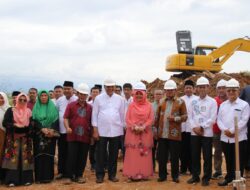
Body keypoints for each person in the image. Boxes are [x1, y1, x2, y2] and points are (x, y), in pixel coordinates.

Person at [92, 78, 125, 183]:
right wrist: (95, 130)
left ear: (115, 87)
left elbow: (122, 114)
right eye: (108, 87)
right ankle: (100, 175)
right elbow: (94, 115)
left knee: (114, 154)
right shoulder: (98, 98)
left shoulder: (120, 99)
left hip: (116, 130)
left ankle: (112, 175)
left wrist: (123, 128)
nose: (110, 88)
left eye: (112, 87)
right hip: (102, 131)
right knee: (101, 154)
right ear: (105, 87)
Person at [217, 79, 250, 186]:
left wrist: (232, 131)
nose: (231, 92)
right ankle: (229, 178)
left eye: (233, 90)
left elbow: (244, 121)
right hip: (225, 137)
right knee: (228, 159)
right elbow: (219, 120)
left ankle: (238, 180)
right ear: (226, 91)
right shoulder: (223, 105)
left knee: (239, 160)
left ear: (238, 91)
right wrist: (225, 130)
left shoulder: (244, 105)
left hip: (239, 138)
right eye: (229, 90)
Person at [187, 77, 217, 186]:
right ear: (197, 89)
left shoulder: (212, 102)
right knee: (194, 155)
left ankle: (206, 178)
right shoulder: (193, 101)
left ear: (208, 87)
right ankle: (195, 176)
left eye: (204, 87)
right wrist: (195, 128)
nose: (202, 89)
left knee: (207, 156)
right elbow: (189, 116)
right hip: (194, 133)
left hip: (206, 133)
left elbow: (213, 118)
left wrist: (202, 127)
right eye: (200, 87)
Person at [156, 80, 187, 183]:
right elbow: (157, 117)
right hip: (162, 134)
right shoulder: (161, 102)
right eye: (167, 90)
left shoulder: (180, 102)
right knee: (162, 157)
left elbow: (185, 117)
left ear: (175, 90)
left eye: (171, 90)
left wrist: (175, 118)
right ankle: (162, 176)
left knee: (174, 157)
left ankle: (175, 176)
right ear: (165, 91)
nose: (169, 92)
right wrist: (155, 130)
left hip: (174, 134)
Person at [123, 82, 154, 181]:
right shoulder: (131, 106)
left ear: (145, 94)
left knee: (144, 154)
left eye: (141, 94)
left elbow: (151, 118)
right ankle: (132, 174)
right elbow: (127, 119)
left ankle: (144, 174)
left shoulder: (149, 105)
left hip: (145, 133)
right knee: (133, 154)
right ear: (134, 94)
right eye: (137, 94)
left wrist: (143, 126)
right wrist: (134, 127)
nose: (139, 96)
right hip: (133, 134)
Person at [2, 93, 33, 187]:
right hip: (13, 138)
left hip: (25, 139)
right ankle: (12, 180)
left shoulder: (28, 111)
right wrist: (15, 125)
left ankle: (26, 180)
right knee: (12, 159)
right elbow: (5, 123)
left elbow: (31, 124)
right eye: (20, 99)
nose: (22, 101)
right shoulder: (11, 110)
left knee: (25, 159)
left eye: (24, 100)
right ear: (17, 100)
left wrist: (27, 128)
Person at [64, 83, 92, 184]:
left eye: (85, 95)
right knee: (71, 156)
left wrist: (92, 136)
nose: (83, 96)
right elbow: (66, 118)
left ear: (87, 96)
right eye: (81, 94)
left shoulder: (90, 107)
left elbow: (92, 122)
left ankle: (79, 175)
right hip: (72, 136)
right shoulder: (71, 105)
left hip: (85, 136)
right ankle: (69, 176)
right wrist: (67, 127)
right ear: (77, 93)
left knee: (82, 157)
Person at [32, 90, 59, 183]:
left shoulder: (53, 107)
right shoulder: (36, 107)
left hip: (50, 135)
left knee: (49, 155)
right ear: (39, 97)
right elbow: (34, 120)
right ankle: (39, 178)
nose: (43, 97)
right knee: (39, 155)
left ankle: (48, 177)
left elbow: (56, 119)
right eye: (42, 95)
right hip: (39, 135)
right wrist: (42, 128)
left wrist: (51, 129)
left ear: (48, 97)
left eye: (45, 95)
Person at [55, 81, 78, 180]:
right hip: (62, 131)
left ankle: (71, 172)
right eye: (65, 89)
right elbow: (57, 113)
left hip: (73, 132)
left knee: (72, 153)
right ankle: (61, 172)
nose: (67, 90)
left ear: (73, 89)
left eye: (69, 89)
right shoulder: (60, 100)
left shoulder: (77, 99)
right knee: (62, 152)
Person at [180, 80, 197, 175]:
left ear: (194, 89)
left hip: (193, 129)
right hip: (182, 128)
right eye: (186, 88)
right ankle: (183, 169)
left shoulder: (197, 99)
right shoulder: (180, 99)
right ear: (184, 89)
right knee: (183, 150)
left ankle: (192, 169)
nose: (188, 89)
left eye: (190, 88)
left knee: (192, 150)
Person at [212, 79, 227, 179]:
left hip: (228, 131)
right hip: (216, 130)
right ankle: (218, 171)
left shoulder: (231, 100)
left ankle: (233, 170)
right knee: (217, 151)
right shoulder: (214, 101)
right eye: (219, 88)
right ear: (217, 90)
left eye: (224, 88)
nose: (221, 90)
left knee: (229, 152)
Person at [88, 86, 101, 171]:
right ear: (91, 93)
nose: (95, 93)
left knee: (100, 147)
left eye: (97, 92)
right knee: (91, 147)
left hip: (101, 128)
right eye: (93, 92)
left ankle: (102, 164)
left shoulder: (102, 103)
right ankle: (93, 164)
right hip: (91, 128)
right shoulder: (88, 104)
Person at [151, 89, 163, 172]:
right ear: (154, 95)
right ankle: (152, 167)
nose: (158, 96)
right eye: (157, 94)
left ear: (163, 95)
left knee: (162, 150)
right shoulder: (150, 106)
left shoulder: (165, 104)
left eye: (160, 94)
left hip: (163, 131)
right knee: (152, 149)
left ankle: (162, 168)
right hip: (152, 131)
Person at [239, 84, 250, 176]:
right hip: (247, 122)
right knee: (246, 147)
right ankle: (247, 168)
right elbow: (240, 103)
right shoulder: (246, 89)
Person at [0, 92, 10, 184]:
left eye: (2, 98)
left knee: (5, 155)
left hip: (7, 135)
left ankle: (4, 177)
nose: (1, 100)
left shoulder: (9, 109)